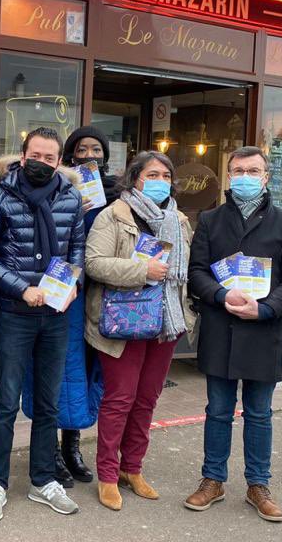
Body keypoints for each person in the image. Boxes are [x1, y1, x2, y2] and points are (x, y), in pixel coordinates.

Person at [184, 145, 282, 523]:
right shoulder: (210, 220)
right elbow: (197, 272)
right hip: (222, 326)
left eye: (252, 171)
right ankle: (213, 480)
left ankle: (258, 485)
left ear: (266, 177)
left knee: (259, 413)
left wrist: (266, 307)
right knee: (217, 411)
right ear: (229, 176)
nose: (245, 177)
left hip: (264, 329)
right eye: (238, 171)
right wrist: (220, 295)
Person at [0, 126, 85, 521]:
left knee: (48, 403)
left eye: (50, 157)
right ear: (22, 155)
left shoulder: (71, 196)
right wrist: (20, 289)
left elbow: (77, 248)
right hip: (16, 312)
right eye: (35, 155)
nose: (42, 162)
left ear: (59, 162)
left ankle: (42, 479)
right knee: (6, 402)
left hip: (56, 312)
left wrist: (74, 283)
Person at [84, 151, 196, 510]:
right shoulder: (113, 215)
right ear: (135, 178)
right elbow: (94, 263)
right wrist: (142, 273)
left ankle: (132, 468)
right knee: (119, 400)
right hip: (124, 321)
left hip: (166, 322)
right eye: (152, 174)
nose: (160, 180)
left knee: (147, 399)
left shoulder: (179, 220)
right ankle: (106, 473)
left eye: (166, 174)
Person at [23, 126, 117, 488]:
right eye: (82, 149)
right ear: (69, 156)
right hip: (57, 291)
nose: (89, 155)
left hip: (96, 295)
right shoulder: (56, 188)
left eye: (96, 149)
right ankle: (47, 451)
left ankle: (71, 447)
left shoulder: (116, 194)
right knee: (54, 371)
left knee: (85, 371)